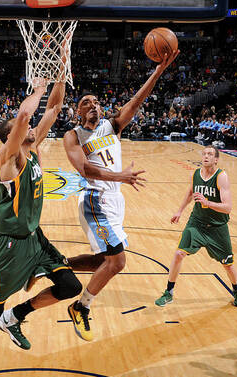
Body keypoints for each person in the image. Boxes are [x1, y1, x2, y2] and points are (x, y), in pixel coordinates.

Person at [0, 65, 82, 377]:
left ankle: (16, 316)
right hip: (9, 249)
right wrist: (38, 86)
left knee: (70, 285)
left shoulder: (32, 152)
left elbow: (55, 108)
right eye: (26, 128)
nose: (33, 128)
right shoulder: (9, 160)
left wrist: (61, 70)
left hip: (35, 240)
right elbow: (23, 118)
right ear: (11, 138)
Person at [61, 48, 179, 341]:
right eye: (86, 102)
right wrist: (121, 176)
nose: (93, 105)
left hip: (114, 201)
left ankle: (54, 264)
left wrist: (159, 70)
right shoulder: (73, 135)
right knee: (118, 262)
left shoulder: (112, 126)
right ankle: (81, 307)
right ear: (78, 111)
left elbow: (138, 100)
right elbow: (85, 169)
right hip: (93, 200)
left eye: (96, 102)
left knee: (104, 259)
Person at [154, 146, 237, 307]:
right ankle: (169, 292)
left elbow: (228, 207)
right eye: (204, 154)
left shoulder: (221, 177)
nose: (206, 156)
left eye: (210, 154)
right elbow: (190, 193)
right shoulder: (195, 174)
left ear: (216, 159)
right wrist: (180, 211)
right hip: (196, 223)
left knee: (227, 265)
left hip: (217, 227)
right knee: (179, 254)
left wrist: (207, 202)